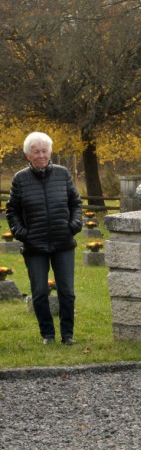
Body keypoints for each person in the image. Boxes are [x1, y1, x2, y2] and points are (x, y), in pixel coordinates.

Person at [6, 132, 82, 345]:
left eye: (44, 151)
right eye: (35, 151)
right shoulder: (20, 179)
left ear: (50, 152)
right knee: (39, 292)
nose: (41, 155)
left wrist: (74, 225)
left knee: (67, 291)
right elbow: (12, 211)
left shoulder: (62, 174)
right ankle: (47, 335)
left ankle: (68, 335)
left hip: (63, 242)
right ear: (28, 155)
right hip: (35, 246)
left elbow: (75, 203)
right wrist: (22, 233)